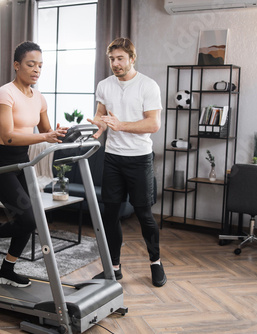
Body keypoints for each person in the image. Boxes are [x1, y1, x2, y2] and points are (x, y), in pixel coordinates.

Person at [0, 41, 66, 288]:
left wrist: (58, 131)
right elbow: (8, 136)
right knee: (27, 219)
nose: (36, 70)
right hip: (0, 162)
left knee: (29, 219)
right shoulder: (5, 93)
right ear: (17, 65)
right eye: (30, 64)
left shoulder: (39, 98)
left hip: (23, 162)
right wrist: (45, 136)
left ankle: (6, 270)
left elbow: (46, 130)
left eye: (40, 66)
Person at [87, 37, 166, 287]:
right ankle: (114, 268)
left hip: (139, 159)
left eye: (120, 58)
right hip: (112, 158)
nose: (115, 63)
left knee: (144, 215)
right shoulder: (104, 85)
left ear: (132, 58)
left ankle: (155, 263)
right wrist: (98, 127)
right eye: (112, 59)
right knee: (110, 214)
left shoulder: (148, 85)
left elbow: (153, 124)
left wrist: (121, 125)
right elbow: (101, 115)